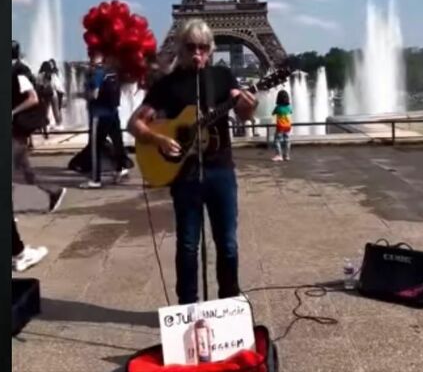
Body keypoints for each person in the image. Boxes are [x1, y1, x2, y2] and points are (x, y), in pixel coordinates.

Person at [128, 19, 258, 304]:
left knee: (228, 244)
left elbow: (244, 112)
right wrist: (159, 139)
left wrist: (248, 105)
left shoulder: (223, 77)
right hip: (185, 175)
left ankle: (228, 303)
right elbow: (135, 124)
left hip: (221, 170)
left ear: (210, 50)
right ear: (180, 49)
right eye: (191, 48)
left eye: (203, 48)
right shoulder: (167, 85)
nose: (197, 53)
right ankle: (187, 307)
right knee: (188, 245)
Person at [12, 41, 67, 213]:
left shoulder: (20, 72)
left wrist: (13, 111)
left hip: (20, 126)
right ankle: (54, 191)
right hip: (18, 125)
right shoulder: (16, 70)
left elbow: (33, 98)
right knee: (26, 170)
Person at [80, 51, 129, 188]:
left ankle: (95, 180)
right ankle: (121, 168)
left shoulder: (97, 73)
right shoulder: (112, 72)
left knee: (95, 146)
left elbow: (94, 95)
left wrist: (83, 95)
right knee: (117, 141)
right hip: (113, 113)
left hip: (99, 114)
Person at [270, 89, 293, 162]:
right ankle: (286, 156)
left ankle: (279, 155)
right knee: (287, 141)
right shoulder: (289, 107)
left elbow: (272, 113)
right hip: (288, 126)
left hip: (280, 127)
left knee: (277, 141)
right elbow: (291, 112)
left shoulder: (278, 108)